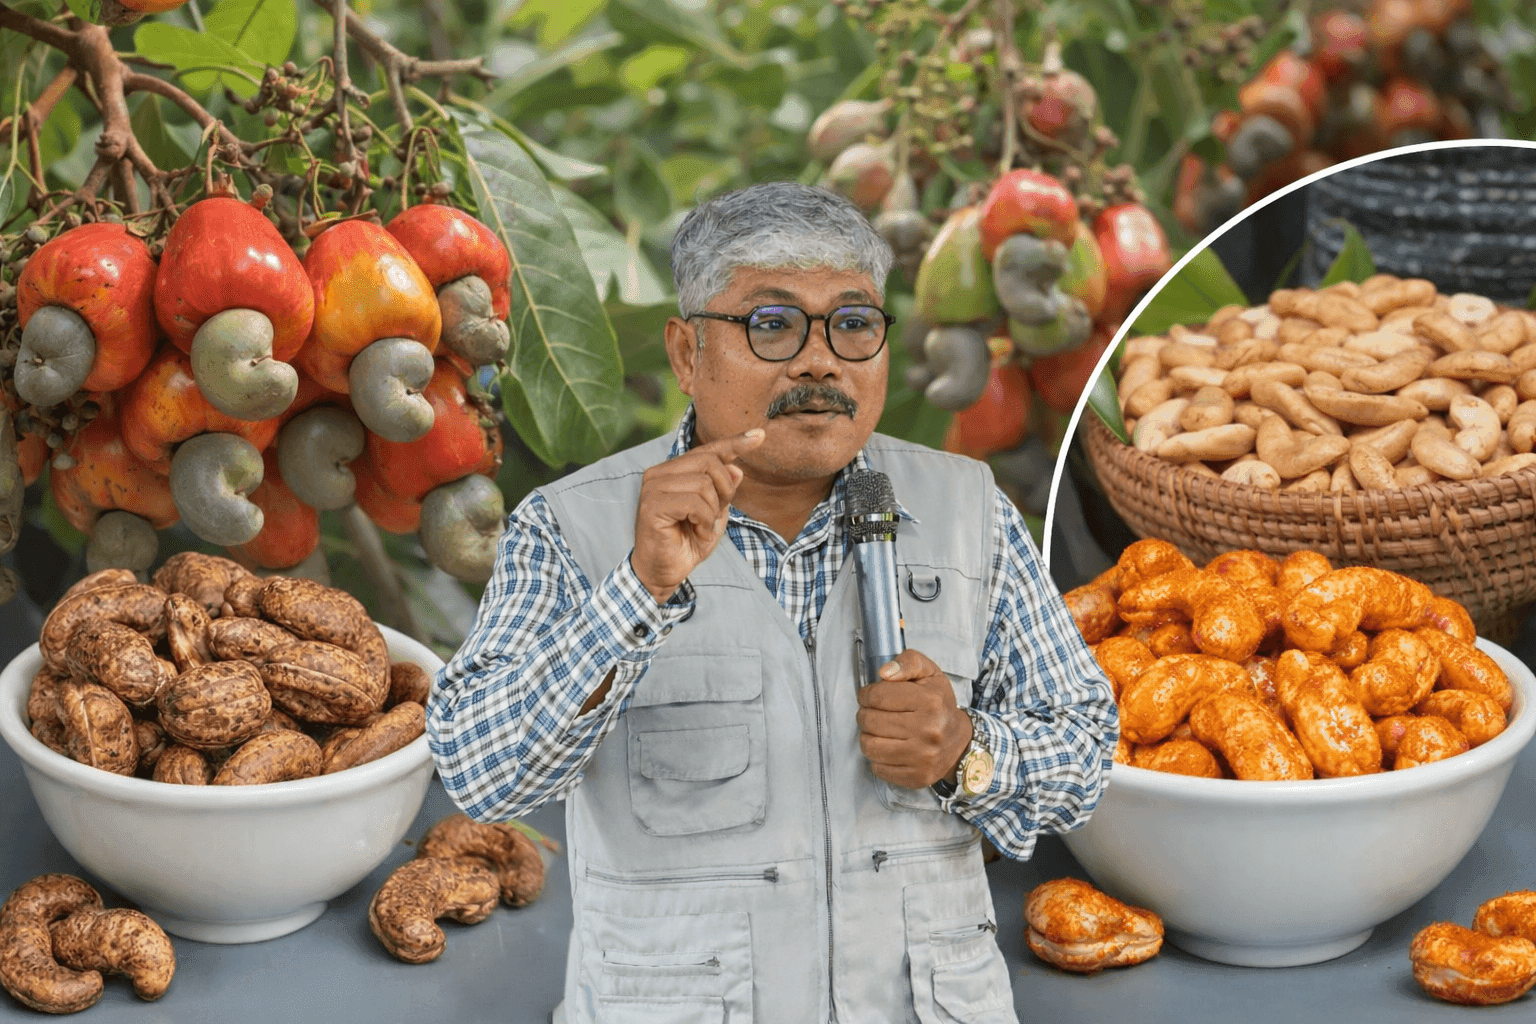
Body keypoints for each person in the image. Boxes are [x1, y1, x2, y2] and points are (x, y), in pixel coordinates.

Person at [427, 182, 1117, 1024]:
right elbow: (480, 775)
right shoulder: (573, 525)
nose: (820, 360)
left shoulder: (970, 509)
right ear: (686, 355)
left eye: (854, 323)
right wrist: (636, 592)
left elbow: (1085, 756)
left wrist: (969, 753)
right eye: (772, 323)